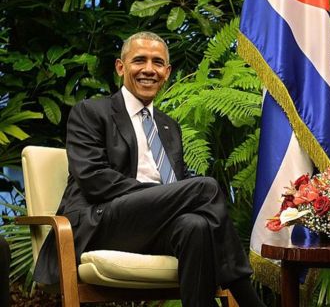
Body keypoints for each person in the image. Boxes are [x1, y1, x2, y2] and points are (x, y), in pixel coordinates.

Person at [33, 31, 265, 307]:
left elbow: (176, 181)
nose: (148, 70)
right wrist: (161, 195)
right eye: (139, 60)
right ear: (121, 67)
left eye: (157, 63)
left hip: (153, 229)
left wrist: (166, 197)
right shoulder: (92, 112)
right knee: (206, 187)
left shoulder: (169, 127)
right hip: (103, 222)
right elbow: (94, 180)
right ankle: (249, 299)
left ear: (167, 72)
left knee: (196, 225)